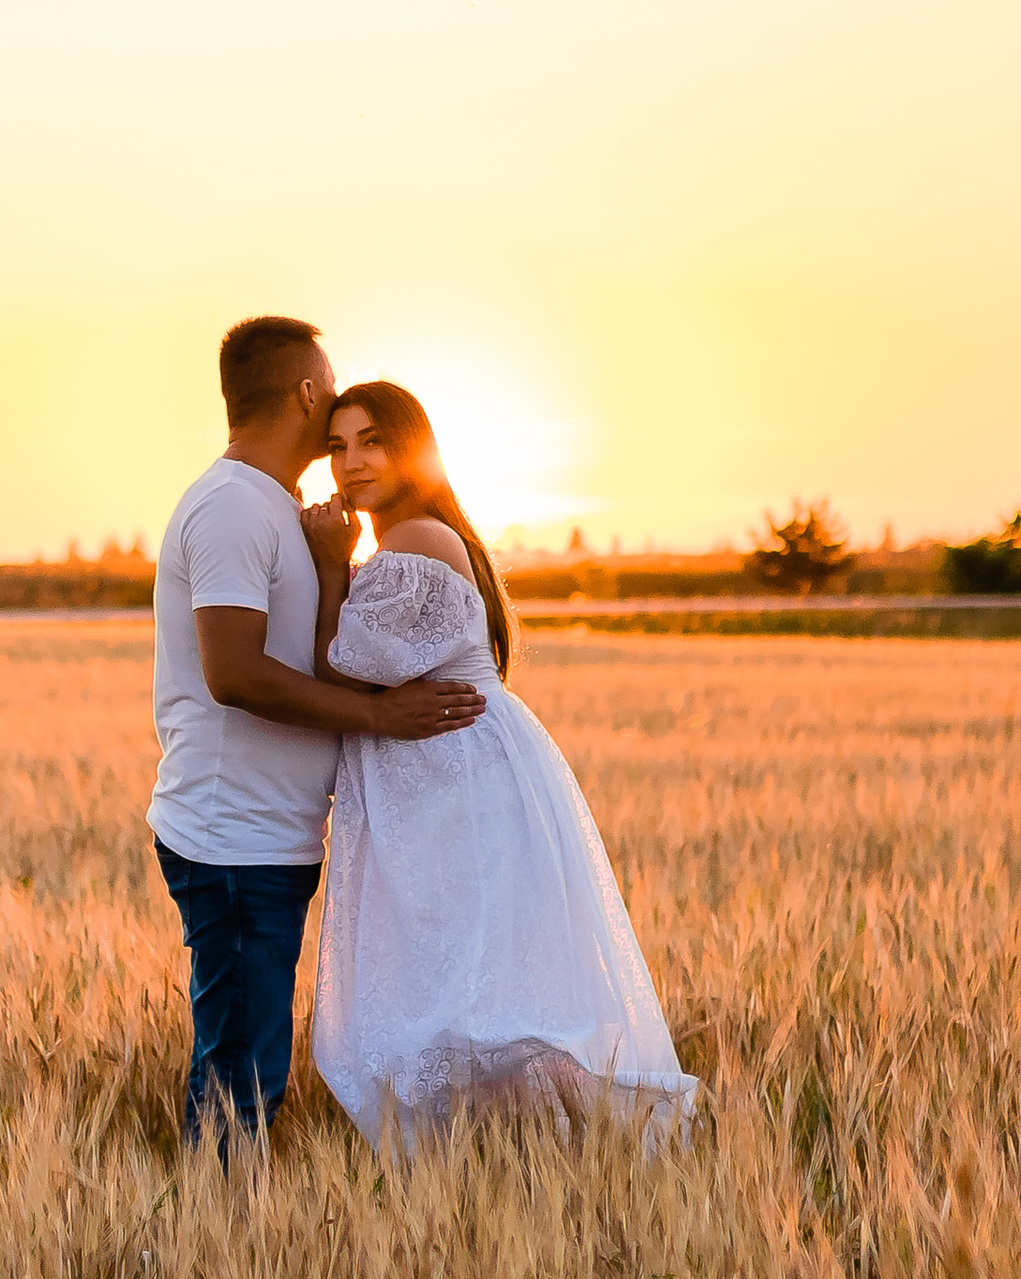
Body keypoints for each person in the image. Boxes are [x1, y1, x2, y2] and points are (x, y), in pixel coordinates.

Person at [309, 379, 697, 1147]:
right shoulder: (425, 535)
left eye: (372, 441)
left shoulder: (414, 539)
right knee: (481, 988)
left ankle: (542, 1167)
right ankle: (529, 1168)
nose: (351, 463)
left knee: (472, 994)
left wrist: (328, 564)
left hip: (453, 780)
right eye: (337, 447)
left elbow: (340, 666)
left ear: (412, 447)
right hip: (461, 773)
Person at [149, 317, 487, 1146]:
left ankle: (221, 1238)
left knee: (251, 1061)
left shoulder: (281, 509)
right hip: (234, 839)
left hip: (274, 834)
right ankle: (214, 1247)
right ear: (306, 392)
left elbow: (331, 648)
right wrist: (377, 717)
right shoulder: (232, 507)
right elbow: (234, 672)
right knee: (244, 1071)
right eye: (328, 391)